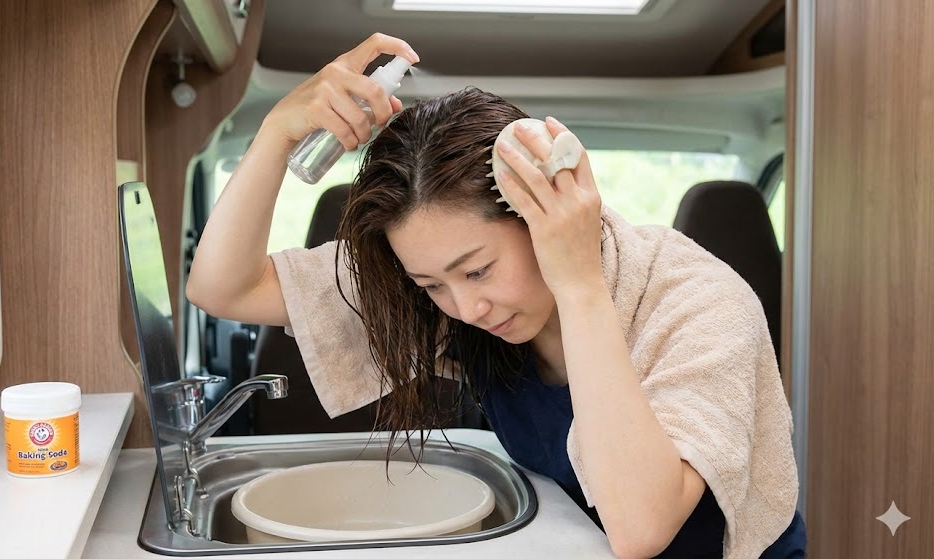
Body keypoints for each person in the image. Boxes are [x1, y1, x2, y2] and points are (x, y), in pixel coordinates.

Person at [187, 33, 806, 559]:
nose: (464, 309)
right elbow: (223, 287)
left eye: (478, 270)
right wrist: (276, 131)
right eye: (431, 285)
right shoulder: (452, 298)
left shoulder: (700, 302)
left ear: (540, 212)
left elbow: (642, 529)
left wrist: (579, 281)